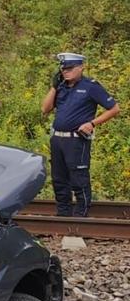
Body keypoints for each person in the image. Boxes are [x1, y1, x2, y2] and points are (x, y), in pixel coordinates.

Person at [41, 52, 120, 217]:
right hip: (57, 139)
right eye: (63, 69)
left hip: (76, 140)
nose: (66, 72)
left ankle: (81, 215)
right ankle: (63, 215)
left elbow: (114, 109)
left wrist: (92, 123)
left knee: (78, 178)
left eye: (70, 68)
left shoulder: (90, 86)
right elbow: (45, 109)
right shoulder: (61, 87)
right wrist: (54, 87)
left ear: (81, 67)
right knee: (59, 179)